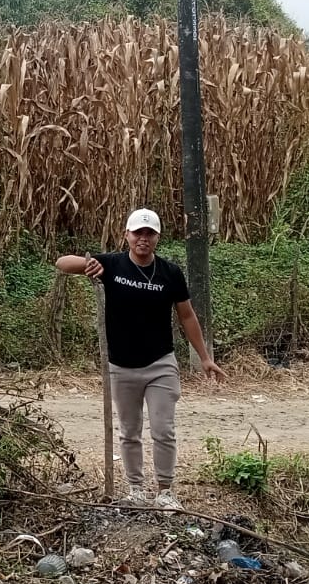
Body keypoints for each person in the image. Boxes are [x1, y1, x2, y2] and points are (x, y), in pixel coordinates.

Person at [55, 208, 223, 510]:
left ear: (157, 237)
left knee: (163, 430)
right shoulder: (111, 265)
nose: (143, 238)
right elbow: (62, 263)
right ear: (127, 235)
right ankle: (135, 490)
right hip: (121, 366)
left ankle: (165, 491)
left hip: (161, 364)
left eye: (149, 233)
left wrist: (204, 357)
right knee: (129, 432)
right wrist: (87, 264)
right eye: (137, 233)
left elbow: (186, 315)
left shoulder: (170, 273)